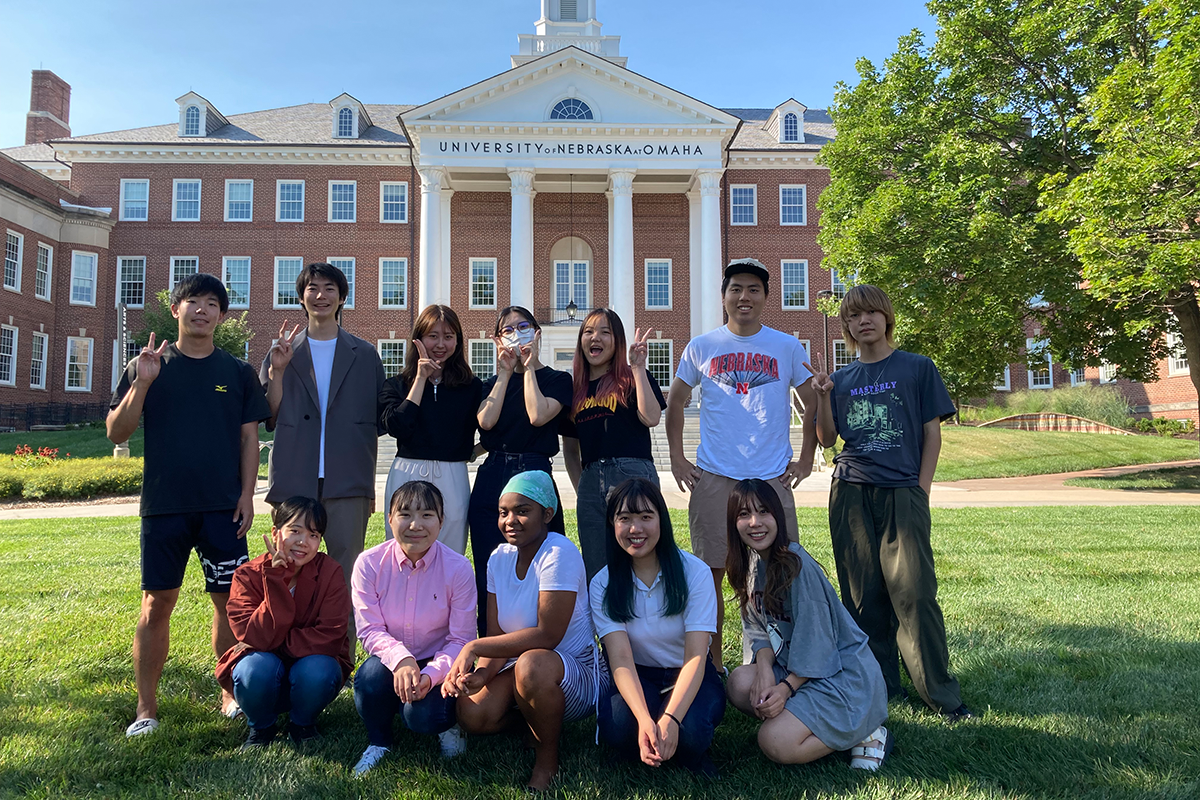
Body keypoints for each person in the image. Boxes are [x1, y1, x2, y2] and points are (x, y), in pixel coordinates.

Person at [108, 272, 270, 737]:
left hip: (223, 510)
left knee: (229, 605)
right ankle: (146, 710)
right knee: (156, 604)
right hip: (165, 507)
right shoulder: (149, 365)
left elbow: (248, 439)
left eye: (212, 303)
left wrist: (246, 495)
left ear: (222, 316)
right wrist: (142, 383)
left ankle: (229, 695)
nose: (202, 309)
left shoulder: (236, 372)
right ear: (176, 309)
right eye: (193, 301)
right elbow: (116, 433)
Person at [809, 284, 972, 721]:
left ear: (886, 318)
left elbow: (931, 433)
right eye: (853, 317)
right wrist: (823, 397)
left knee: (915, 593)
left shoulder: (917, 368)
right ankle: (881, 686)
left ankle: (940, 694)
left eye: (870, 314)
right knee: (863, 597)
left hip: (903, 492)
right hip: (851, 492)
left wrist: (921, 490)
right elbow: (827, 439)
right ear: (846, 327)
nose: (863, 322)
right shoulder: (841, 380)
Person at [665, 257, 818, 673]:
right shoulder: (703, 346)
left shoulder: (786, 346)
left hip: (770, 478)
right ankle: (711, 665)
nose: (744, 296)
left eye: (753, 289)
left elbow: (812, 400)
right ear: (724, 297)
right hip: (716, 477)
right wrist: (678, 458)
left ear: (766, 298)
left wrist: (805, 457)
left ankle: (776, 660)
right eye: (736, 289)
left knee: (781, 572)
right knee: (710, 577)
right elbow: (675, 401)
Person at [261, 262, 385, 658]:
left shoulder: (364, 354)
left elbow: (378, 422)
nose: (320, 295)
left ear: (342, 297)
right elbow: (270, 415)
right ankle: (288, 649)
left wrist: (367, 487)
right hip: (295, 479)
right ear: (301, 297)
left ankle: (341, 655)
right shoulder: (283, 351)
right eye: (312, 288)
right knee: (291, 566)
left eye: (329, 288)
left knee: (347, 572)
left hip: (347, 479)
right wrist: (277, 372)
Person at [445, 471, 598, 793]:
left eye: (522, 511)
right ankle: (537, 720)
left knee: (532, 663)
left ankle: (547, 760)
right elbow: (497, 633)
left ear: (547, 514)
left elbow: (547, 636)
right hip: (521, 667)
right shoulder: (498, 558)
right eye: (503, 512)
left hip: (574, 671)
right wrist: (482, 676)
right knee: (473, 715)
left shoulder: (560, 553)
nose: (510, 520)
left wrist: (473, 646)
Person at [725, 479, 891, 770]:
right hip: (798, 669)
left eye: (764, 512)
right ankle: (807, 718)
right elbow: (758, 628)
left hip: (842, 675)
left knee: (774, 742)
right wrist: (764, 670)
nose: (755, 522)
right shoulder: (752, 564)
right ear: (733, 523)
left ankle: (866, 731)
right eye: (743, 514)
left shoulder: (796, 568)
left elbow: (819, 646)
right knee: (739, 684)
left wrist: (785, 689)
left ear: (778, 516)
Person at [590, 478, 725, 777]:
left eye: (645, 517)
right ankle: (647, 735)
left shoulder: (695, 573)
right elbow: (621, 659)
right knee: (620, 727)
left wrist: (671, 719)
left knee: (691, 733)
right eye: (624, 518)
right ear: (612, 525)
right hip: (639, 674)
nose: (635, 529)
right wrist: (644, 718)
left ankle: (687, 745)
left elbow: (695, 656)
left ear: (661, 520)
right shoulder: (603, 582)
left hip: (691, 674)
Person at [350, 480, 477, 775]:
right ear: (390, 518)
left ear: (442, 521)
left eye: (427, 515)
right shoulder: (369, 564)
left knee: (421, 717)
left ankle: (449, 726)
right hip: (391, 661)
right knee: (369, 678)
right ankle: (379, 741)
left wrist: (430, 676)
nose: (415, 525)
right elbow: (369, 630)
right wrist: (402, 660)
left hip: (440, 662)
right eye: (405, 514)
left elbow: (461, 639)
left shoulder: (458, 568)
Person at [215, 496, 353, 749]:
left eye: (313, 535)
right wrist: (275, 581)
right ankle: (261, 727)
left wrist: (274, 645)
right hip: (265, 670)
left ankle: (302, 724)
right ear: (276, 532)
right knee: (253, 669)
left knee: (319, 670)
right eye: (295, 531)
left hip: (309, 667)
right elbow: (251, 635)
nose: (303, 542)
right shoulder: (248, 575)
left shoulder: (329, 571)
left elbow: (331, 634)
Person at [468, 306, 572, 633]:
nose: (516, 334)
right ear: (498, 340)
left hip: (535, 473)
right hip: (493, 474)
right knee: (490, 567)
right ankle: (491, 649)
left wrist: (528, 370)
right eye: (507, 330)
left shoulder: (557, 379)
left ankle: (545, 639)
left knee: (545, 562)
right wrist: (503, 373)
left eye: (523, 326)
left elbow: (538, 415)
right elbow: (486, 421)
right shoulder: (490, 383)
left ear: (537, 332)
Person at [561, 309, 666, 581]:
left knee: (642, 556)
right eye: (588, 332)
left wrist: (638, 368)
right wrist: (583, 487)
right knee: (596, 564)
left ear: (617, 340)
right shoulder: (576, 390)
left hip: (632, 474)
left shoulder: (631, 377)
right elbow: (571, 451)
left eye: (605, 332)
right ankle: (605, 623)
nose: (595, 338)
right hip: (591, 478)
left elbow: (651, 417)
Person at [379, 305, 482, 555]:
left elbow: (493, 427)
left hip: (453, 473)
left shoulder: (471, 387)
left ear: (457, 341)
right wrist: (420, 379)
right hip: (407, 470)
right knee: (403, 546)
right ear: (418, 339)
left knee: (451, 547)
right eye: (432, 336)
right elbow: (397, 427)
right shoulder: (397, 385)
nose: (440, 344)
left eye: (448, 336)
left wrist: (472, 451)